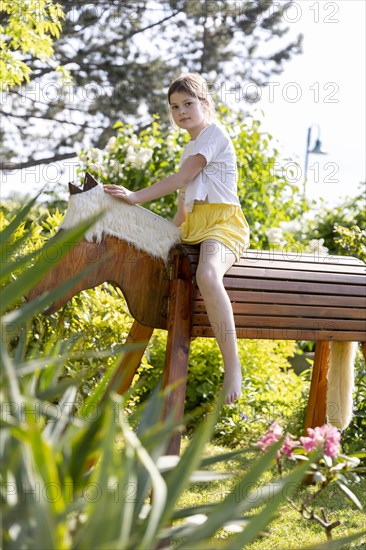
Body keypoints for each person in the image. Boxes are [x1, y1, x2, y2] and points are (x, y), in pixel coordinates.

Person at [104, 73, 250, 404]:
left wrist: (135, 197)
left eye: (188, 103)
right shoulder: (190, 148)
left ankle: (233, 368)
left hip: (223, 224)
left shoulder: (213, 134)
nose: (181, 111)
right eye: (174, 107)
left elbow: (184, 178)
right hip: (195, 227)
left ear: (205, 104)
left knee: (207, 274)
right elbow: (183, 210)